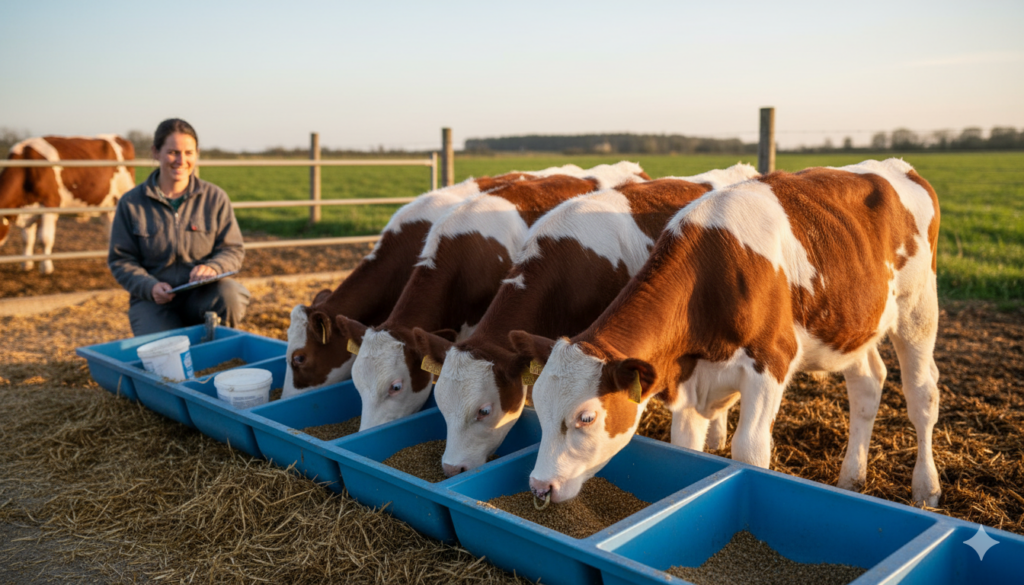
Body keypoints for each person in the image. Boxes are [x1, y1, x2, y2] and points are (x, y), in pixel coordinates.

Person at [108, 118, 250, 336]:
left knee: (231, 294)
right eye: (173, 152)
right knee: (162, 354)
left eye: (189, 153)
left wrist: (213, 268)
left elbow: (232, 249)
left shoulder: (215, 198)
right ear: (156, 152)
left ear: (197, 153)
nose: (181, 160)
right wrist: (149, 287)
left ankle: (216, 347)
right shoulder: (131, 203)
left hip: (202, 294)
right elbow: (121, 260)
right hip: (154, 300)